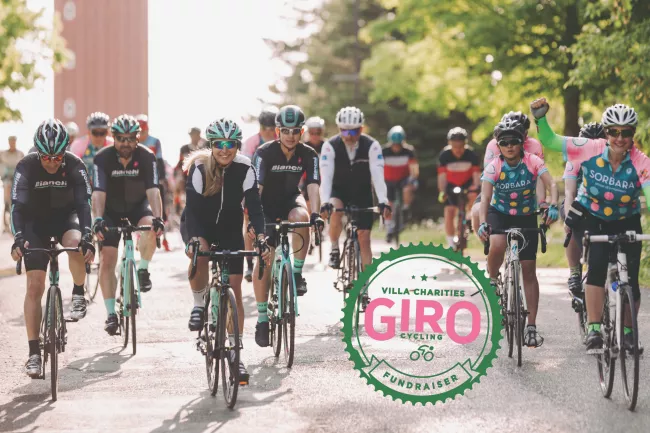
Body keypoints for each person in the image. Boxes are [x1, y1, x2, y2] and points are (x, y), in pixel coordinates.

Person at [530, 97, 650, 353]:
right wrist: (540, 118)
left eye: (626, 133)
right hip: (594, 217)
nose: (619, 138)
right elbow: (551, 142)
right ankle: (594, 329)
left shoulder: (641, 161)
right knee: (595, 268)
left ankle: (629, 333)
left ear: (632, 134)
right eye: (614, 132)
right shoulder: (590, 147)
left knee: (631, 277)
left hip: (627, 219)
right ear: (606, 133)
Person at [181, 118, 270, 385]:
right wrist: (194, 241)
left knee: (235, 290)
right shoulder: (198, 167)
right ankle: (198, 304)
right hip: (200, 226)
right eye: (219, 144)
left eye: (231, 144)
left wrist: (261, 237)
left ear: (237, 146)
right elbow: (193, 211)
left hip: (231, 230)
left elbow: (255, 208)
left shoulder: (245, 167)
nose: (225, 149)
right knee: (201, 254)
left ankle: (236, 352)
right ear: (211, 145)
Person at [10, 119, 95, 378]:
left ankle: (79, 292)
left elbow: (83, 205)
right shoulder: (26, 166)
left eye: (57, 157)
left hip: (64, 219)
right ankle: (34, 353)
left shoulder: (75, 165)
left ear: (65, 151)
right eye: (46, 157)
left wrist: (88, 234)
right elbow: (17, 207)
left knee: (75, 244)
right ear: (37, 151)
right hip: (34, 224)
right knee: (35, 286)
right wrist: (18, 238)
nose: (51, 162)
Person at [477, 117, 559, 348]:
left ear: (522, 142)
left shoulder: (532, 160)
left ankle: (531, 326)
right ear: (498, 145)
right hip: (499, 212)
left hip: (525, 214)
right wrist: (483, 222)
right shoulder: (495, 166)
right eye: (504, 142)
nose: (510, 146)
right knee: (497, 244)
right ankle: (493, 279)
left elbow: (550, 183)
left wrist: (551, 205)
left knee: (529, 270)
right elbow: (485, 197)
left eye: (514, 141)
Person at [251, 105, 324, 347]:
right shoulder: (264, 153)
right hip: (266, 206)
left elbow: (313, 186)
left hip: (291, 200)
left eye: (295, 131)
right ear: (277, 132)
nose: (290, 136)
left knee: (302, 215)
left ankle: (297, 272)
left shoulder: (309, 154)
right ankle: (262, 318)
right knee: (264, 261)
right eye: (285, 131)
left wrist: (316, 214)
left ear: (301, 131)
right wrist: (254, 220)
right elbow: (256, 189)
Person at [91, 115, 164, 336]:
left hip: (137, 208)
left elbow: (153, 191)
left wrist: (159, 218)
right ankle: (111, 314)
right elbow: (98, 193)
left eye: (130, 138)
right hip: (111, 212)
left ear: (137, 138)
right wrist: (98, 220)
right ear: (113, 138)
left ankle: (142, 270)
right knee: (107, 261)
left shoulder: (146, 156)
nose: (125, 143)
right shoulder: (102, 158)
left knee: (151, 226)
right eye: (121, 138)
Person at [319, 106, 391, 270]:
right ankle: (335, 248)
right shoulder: (330, 146)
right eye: (345, 132)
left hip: (362, 192)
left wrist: (383, 201)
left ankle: (365, 286)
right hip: (339, 191)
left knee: (364, 238)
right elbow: (326, 177)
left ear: (361, 128)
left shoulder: (372, 145)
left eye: (354, 132)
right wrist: (324, 202)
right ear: (339, 129)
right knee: (336, 210)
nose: (349, 136)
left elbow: (378, 175)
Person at [470, 112, 546, 235]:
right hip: (498, 189)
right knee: (476, 211)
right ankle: (486, 241)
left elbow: (539, 177)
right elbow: (489, 179)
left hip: (524, 190)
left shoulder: (534, 145)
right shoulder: (494, 145)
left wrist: (542, 201)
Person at [562, 122, 606, 298]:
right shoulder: (575, 160)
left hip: (604, 205)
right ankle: (574, 272)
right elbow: (569, 192)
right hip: (578, 203)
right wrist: (568, 218)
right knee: (571, 224)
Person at [241, 106, 278, 281]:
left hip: (274, 186)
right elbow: (245, 169)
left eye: (272, 129)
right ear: (260, 128)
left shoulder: (282, 140)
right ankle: (249, 263)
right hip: (253, 185)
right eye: (265, 129)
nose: (269, 132)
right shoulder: (250, 143)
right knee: (249, 223)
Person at [437, 127, 480, 250]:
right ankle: (451, 244)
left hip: (467, 183)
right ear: (450, 144)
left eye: (461, 147)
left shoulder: (471, 155)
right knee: (449, 211)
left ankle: (468, 217)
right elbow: (441, 177)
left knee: (473, 195)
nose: (458, 150)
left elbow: (476, 175)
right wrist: (442, 191)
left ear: (465, 144)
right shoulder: (444, 155)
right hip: (451, 185)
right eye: (455, 147)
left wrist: (476, 187)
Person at [136, 114, 170, 251]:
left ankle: (162, 231)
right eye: (140, 132)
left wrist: (161, 178)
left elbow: (160, 161)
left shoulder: (154, 141)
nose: (142, 135)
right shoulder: (133, 141)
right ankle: (140, 235)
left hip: (153, 175)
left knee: (160, 199)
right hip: (138, 178)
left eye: (144, 132)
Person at [382, 125, 419, 242]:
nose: (396, 147)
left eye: (398, 144)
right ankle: (388, 228)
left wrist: (413, 179)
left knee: (407, 189)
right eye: (394, 144)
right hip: (388, 180)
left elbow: (414, 168)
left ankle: (405, 209)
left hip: (404, 179)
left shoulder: (409, 151)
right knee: (388, 204)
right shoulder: (384, 151)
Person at [69, 112, 114, 185]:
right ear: (89, 132)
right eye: (95, 133)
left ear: (107, 132)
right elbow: (72, 170)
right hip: (84, 185)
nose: (99, 137)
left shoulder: (112, 144)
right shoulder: (78, 145)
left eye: (102, 133)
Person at [174, 127, 207, 215]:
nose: (195, 137)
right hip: (186, 176)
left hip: (200, 176)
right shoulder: (184, 148)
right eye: (193, 135)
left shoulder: (203, 148)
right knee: (178, 182)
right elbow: (180, 163)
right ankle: (177, 204)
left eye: (197, 135)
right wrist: (178, 175)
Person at [1, 136, 25, 230]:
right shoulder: (3, 154)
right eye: (11, 141)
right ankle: (6, 225)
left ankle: (17, 223)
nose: (12, 143)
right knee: (6, 201)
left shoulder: (20, 154)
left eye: (13, 141)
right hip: (6, 180)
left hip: (17, 180)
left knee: (16, 201)